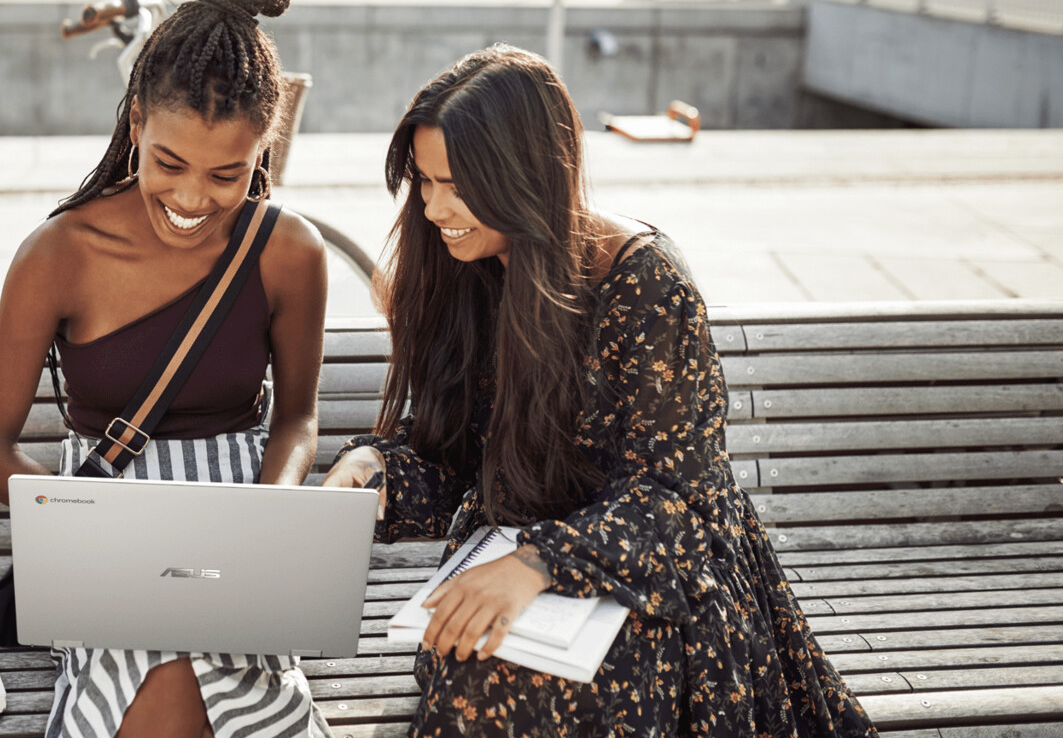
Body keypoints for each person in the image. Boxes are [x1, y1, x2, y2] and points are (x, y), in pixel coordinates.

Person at [323, 45, 877, 738]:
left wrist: (539, 563)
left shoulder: (641, 285)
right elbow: (461, 457)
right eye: (423, 181)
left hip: (659, 580)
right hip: (514, 566)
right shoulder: (463, 269)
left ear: (521, 176)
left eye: (457, 184)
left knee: (540, 696)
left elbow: (679, 502)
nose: (435, 208)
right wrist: (378, 473)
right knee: (476, 670)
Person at [0, 0, 331, 738]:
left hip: (238, 519)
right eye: (168, 163)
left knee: (214, 684)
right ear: (134, 122)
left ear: (265, 147)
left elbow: (297, 418)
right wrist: (86, 525)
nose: (193, 198)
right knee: (160, 682)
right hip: (99, 526)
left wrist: (271, 515)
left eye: (229, 174)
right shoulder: (58, 252)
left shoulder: (289, 251)